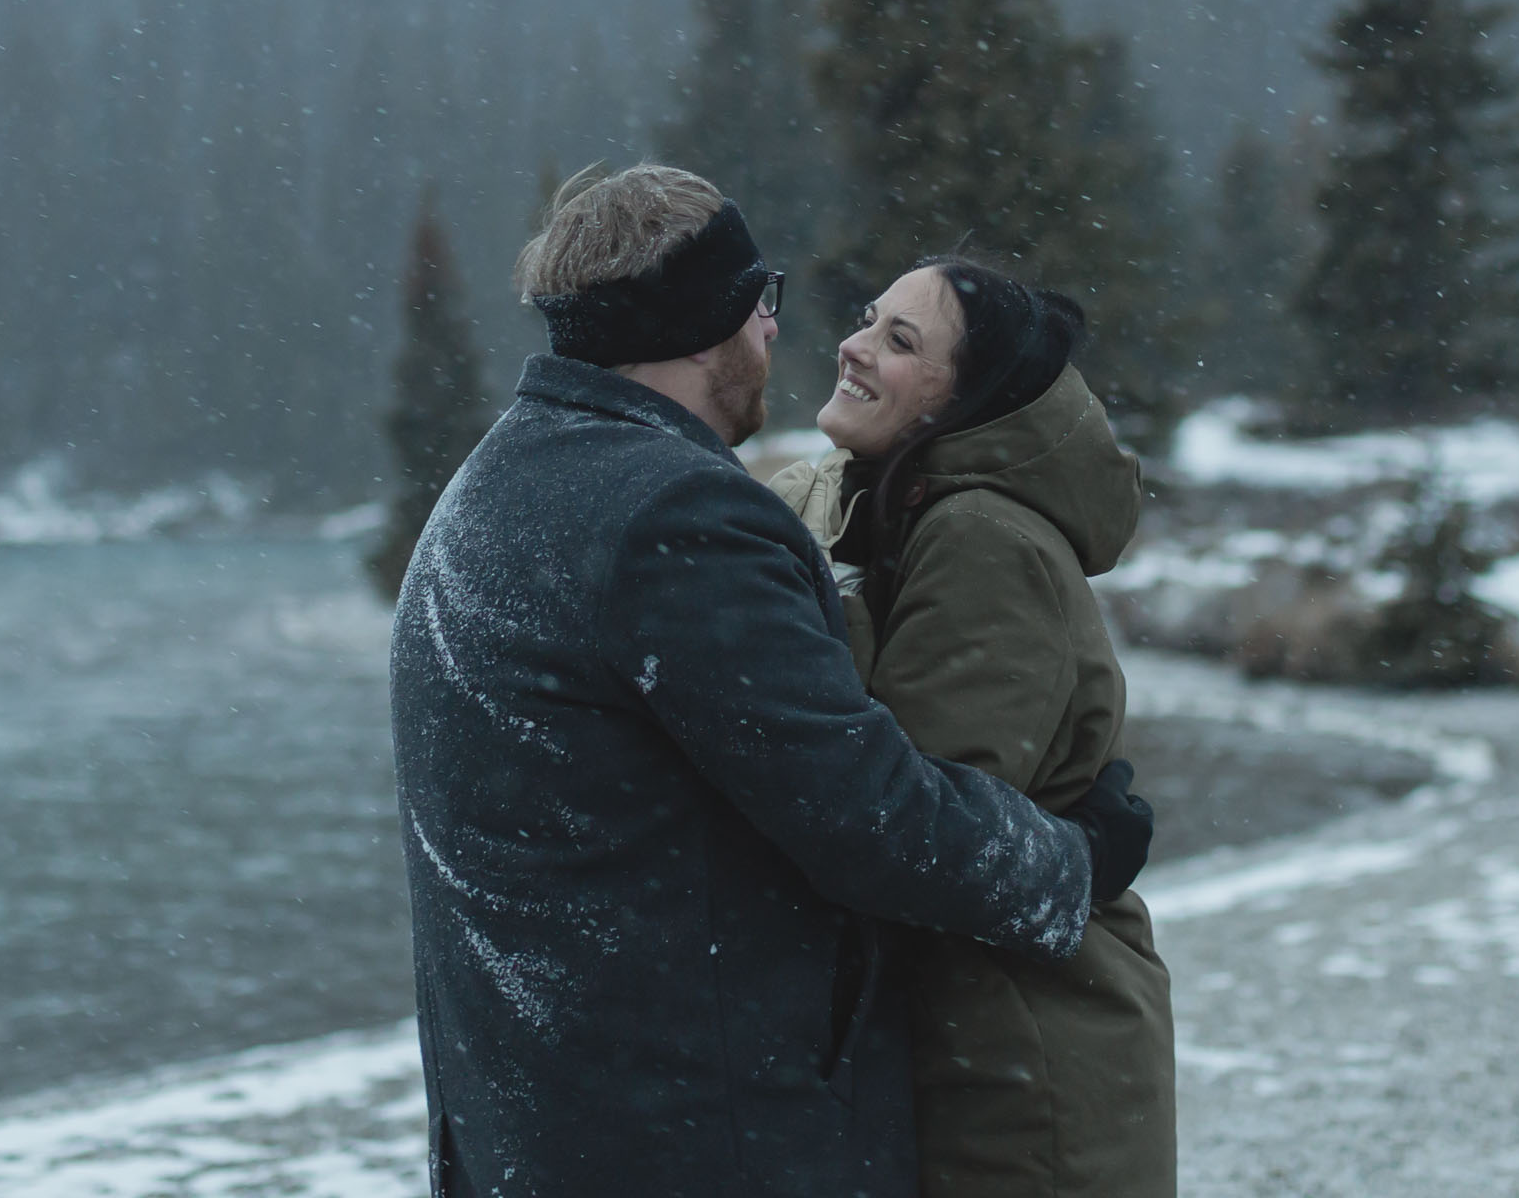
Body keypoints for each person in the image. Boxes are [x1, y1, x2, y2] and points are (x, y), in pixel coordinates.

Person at [388, 167, 1154, 1198]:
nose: (777, 336)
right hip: (695, 1133)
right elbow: (868, 815)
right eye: (763, 304)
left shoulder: (487, 488)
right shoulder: (675, 518)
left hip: (527, 1120)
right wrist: (1075, 856)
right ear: (708, 324)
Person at [770, 255, 1176, 1198]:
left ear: (961, 405)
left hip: (1019, 1051)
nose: (853, 345)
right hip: (979, 1026)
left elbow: (922, 821)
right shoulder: (890, 512)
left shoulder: (981, 536)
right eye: (869, 320)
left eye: (899, 341)